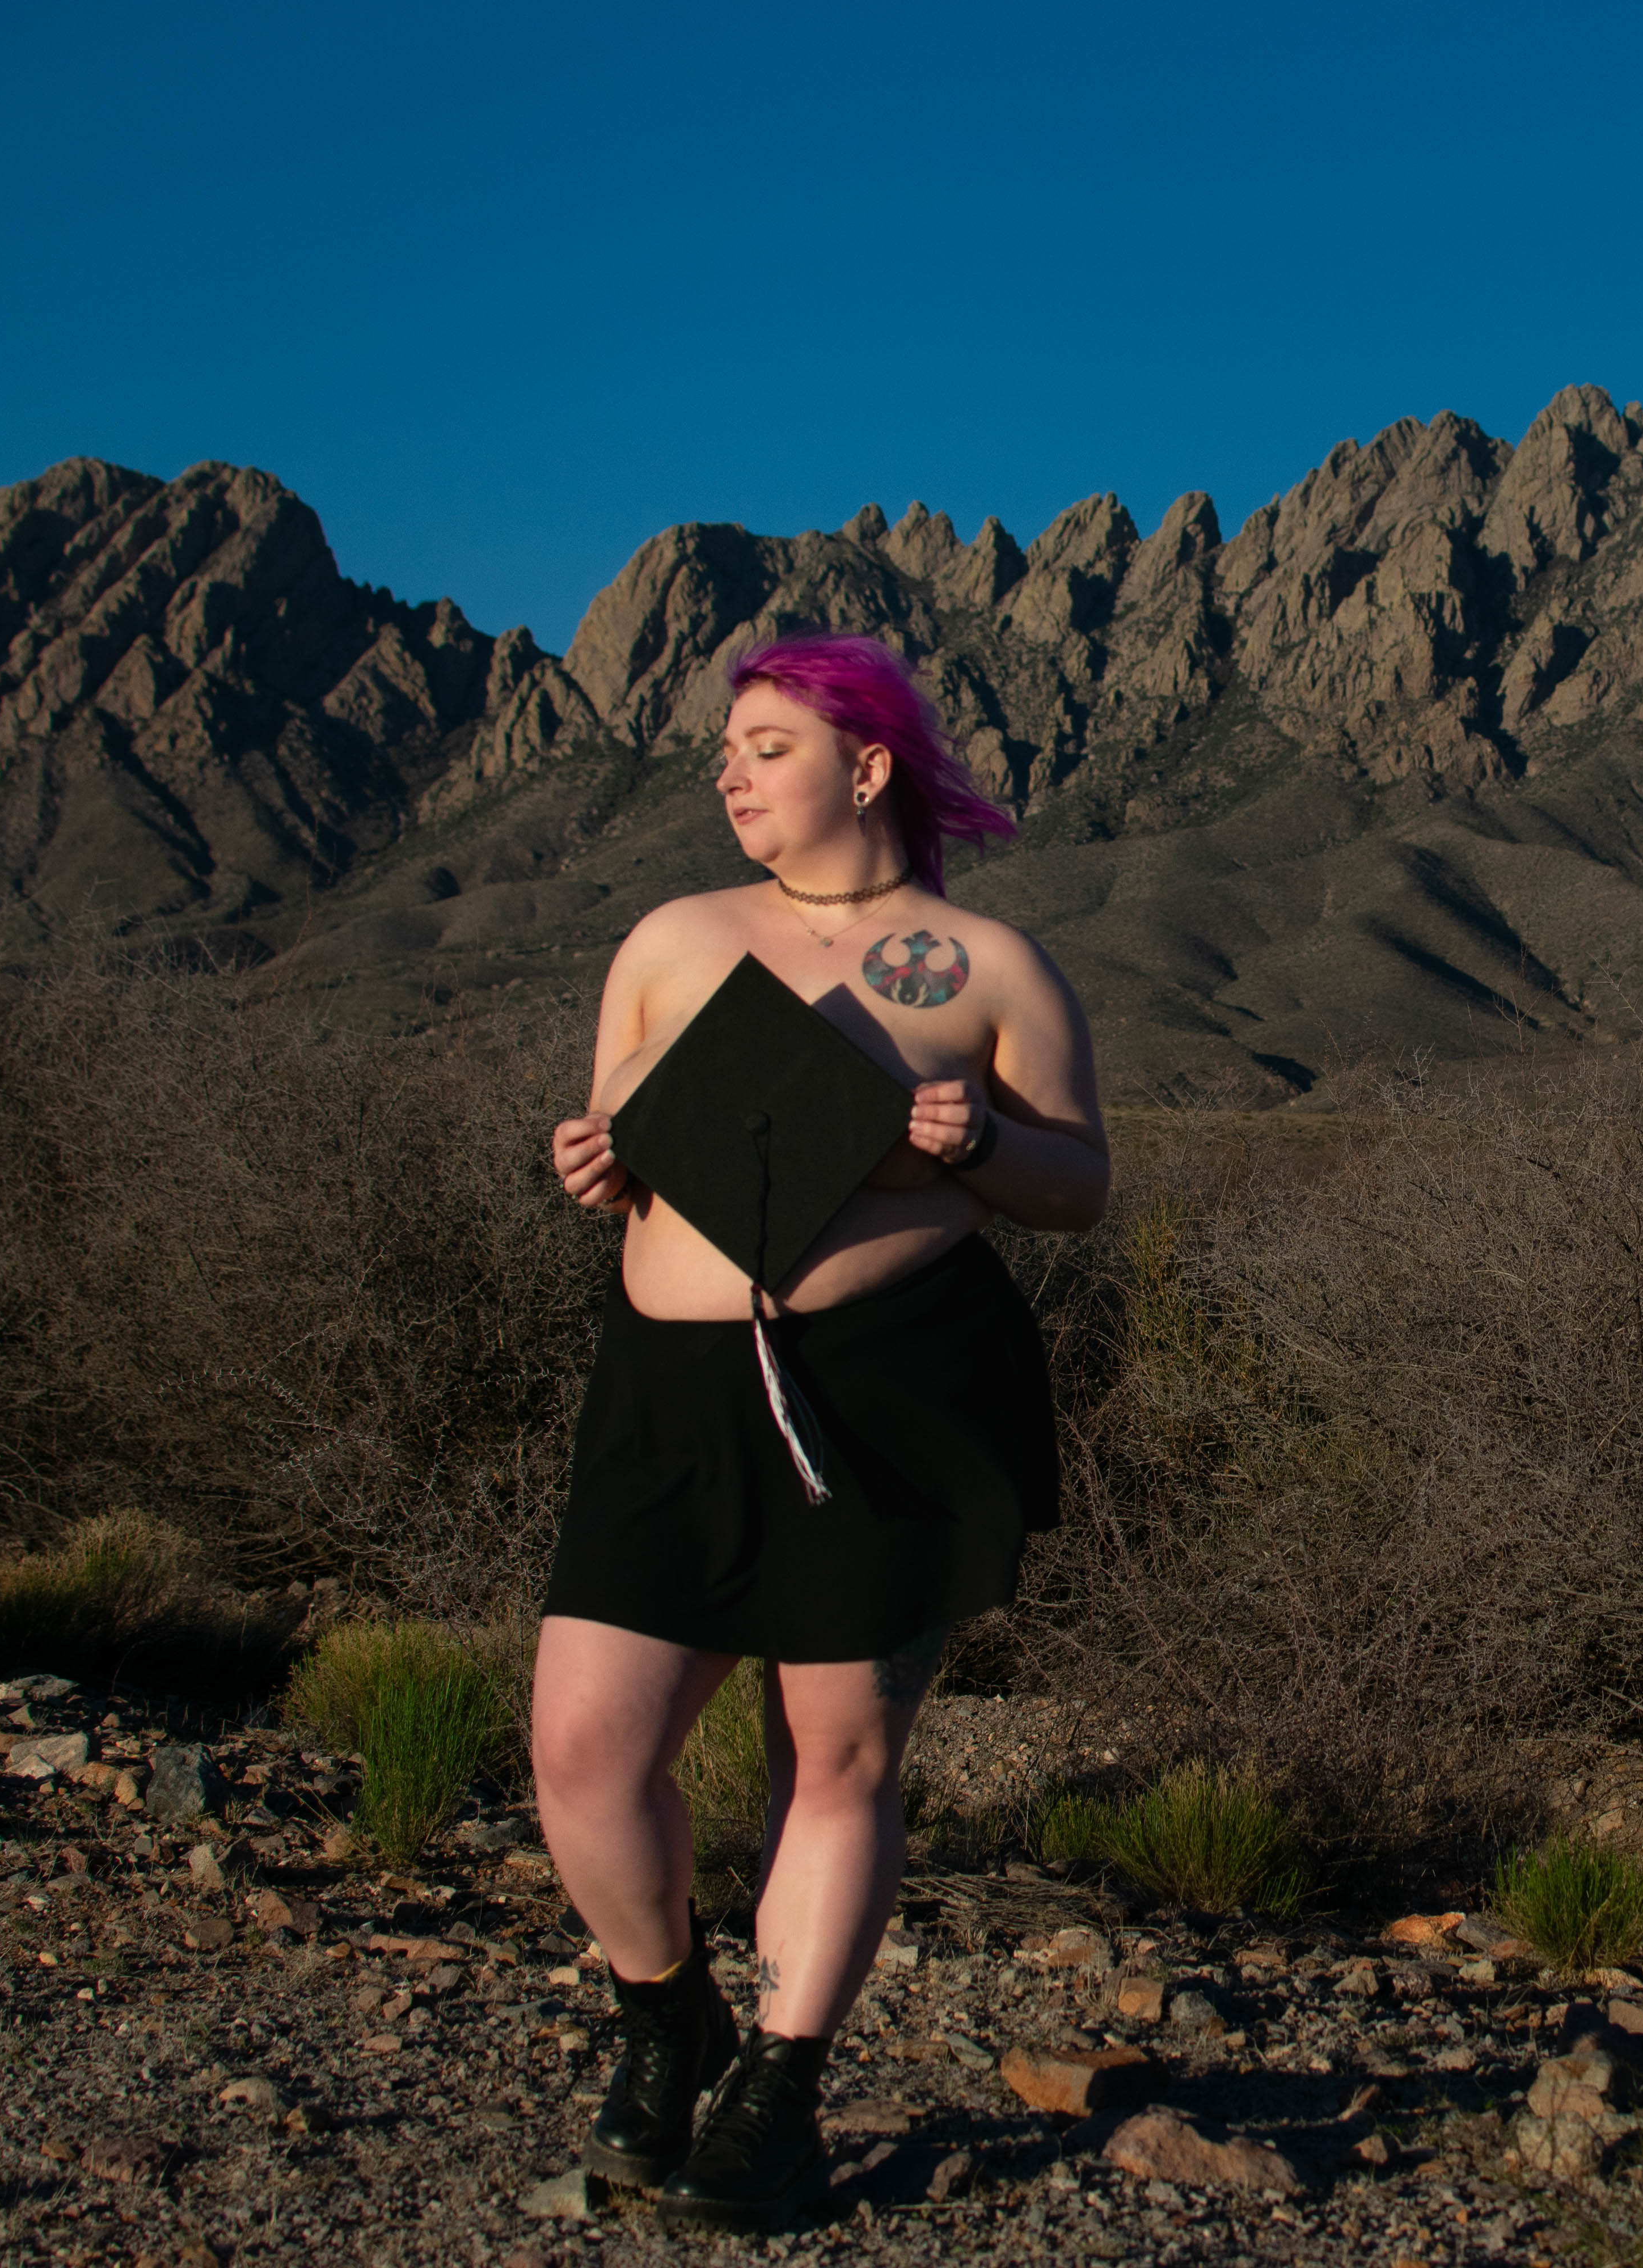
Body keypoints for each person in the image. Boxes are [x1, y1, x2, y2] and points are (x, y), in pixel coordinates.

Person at [531, 631, 1107, 2232]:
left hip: (893, 1390)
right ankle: (668, 2020)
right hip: (673, 1392)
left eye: (764, 747)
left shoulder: (986, 966)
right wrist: (596, 1167)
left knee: (834, 1758)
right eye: (727, 751)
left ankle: (775, 2095)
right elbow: (626, 1155)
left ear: (864, 768)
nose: (729, 773)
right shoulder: (666, 939)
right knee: (584, 1747)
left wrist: (983, 1139)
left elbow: (1078, 1185)